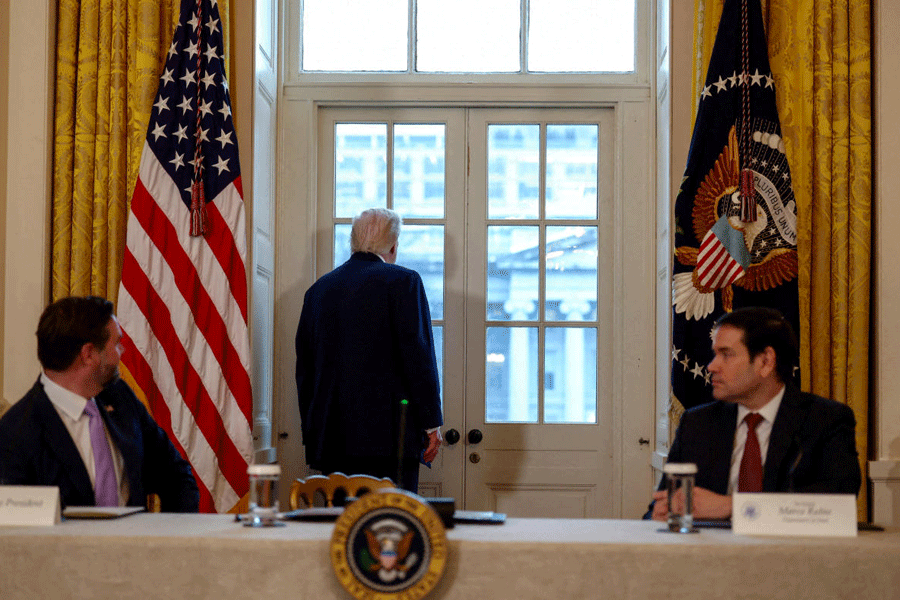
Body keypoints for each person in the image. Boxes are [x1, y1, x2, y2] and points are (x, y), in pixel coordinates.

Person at [650, 306, 860, 521]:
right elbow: (661, 505)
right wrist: (658, 515)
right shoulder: (697, 423)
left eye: (726, 355)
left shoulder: (825, 420)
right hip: (709, 549)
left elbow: (836, 505)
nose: (712, 366)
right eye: (715, 354)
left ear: (766, 361)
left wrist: (732, 507)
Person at [0, 296, 199, 512]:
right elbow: (16, 530)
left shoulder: (121, 398)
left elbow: (176, 476)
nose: (121, 352)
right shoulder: (16, 432)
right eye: (116, 344)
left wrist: (166, 540)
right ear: (88, 354)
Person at [295, 208, 443, 493]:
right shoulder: (404, 282)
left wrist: (313, 435)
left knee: (342, 530)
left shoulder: (318, 291)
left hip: (332, 441)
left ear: (353, 242)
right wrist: (430, 424)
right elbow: (418, 358)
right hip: (392, 442)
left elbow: (306, 372)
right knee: (391, 527)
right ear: (393, 245)